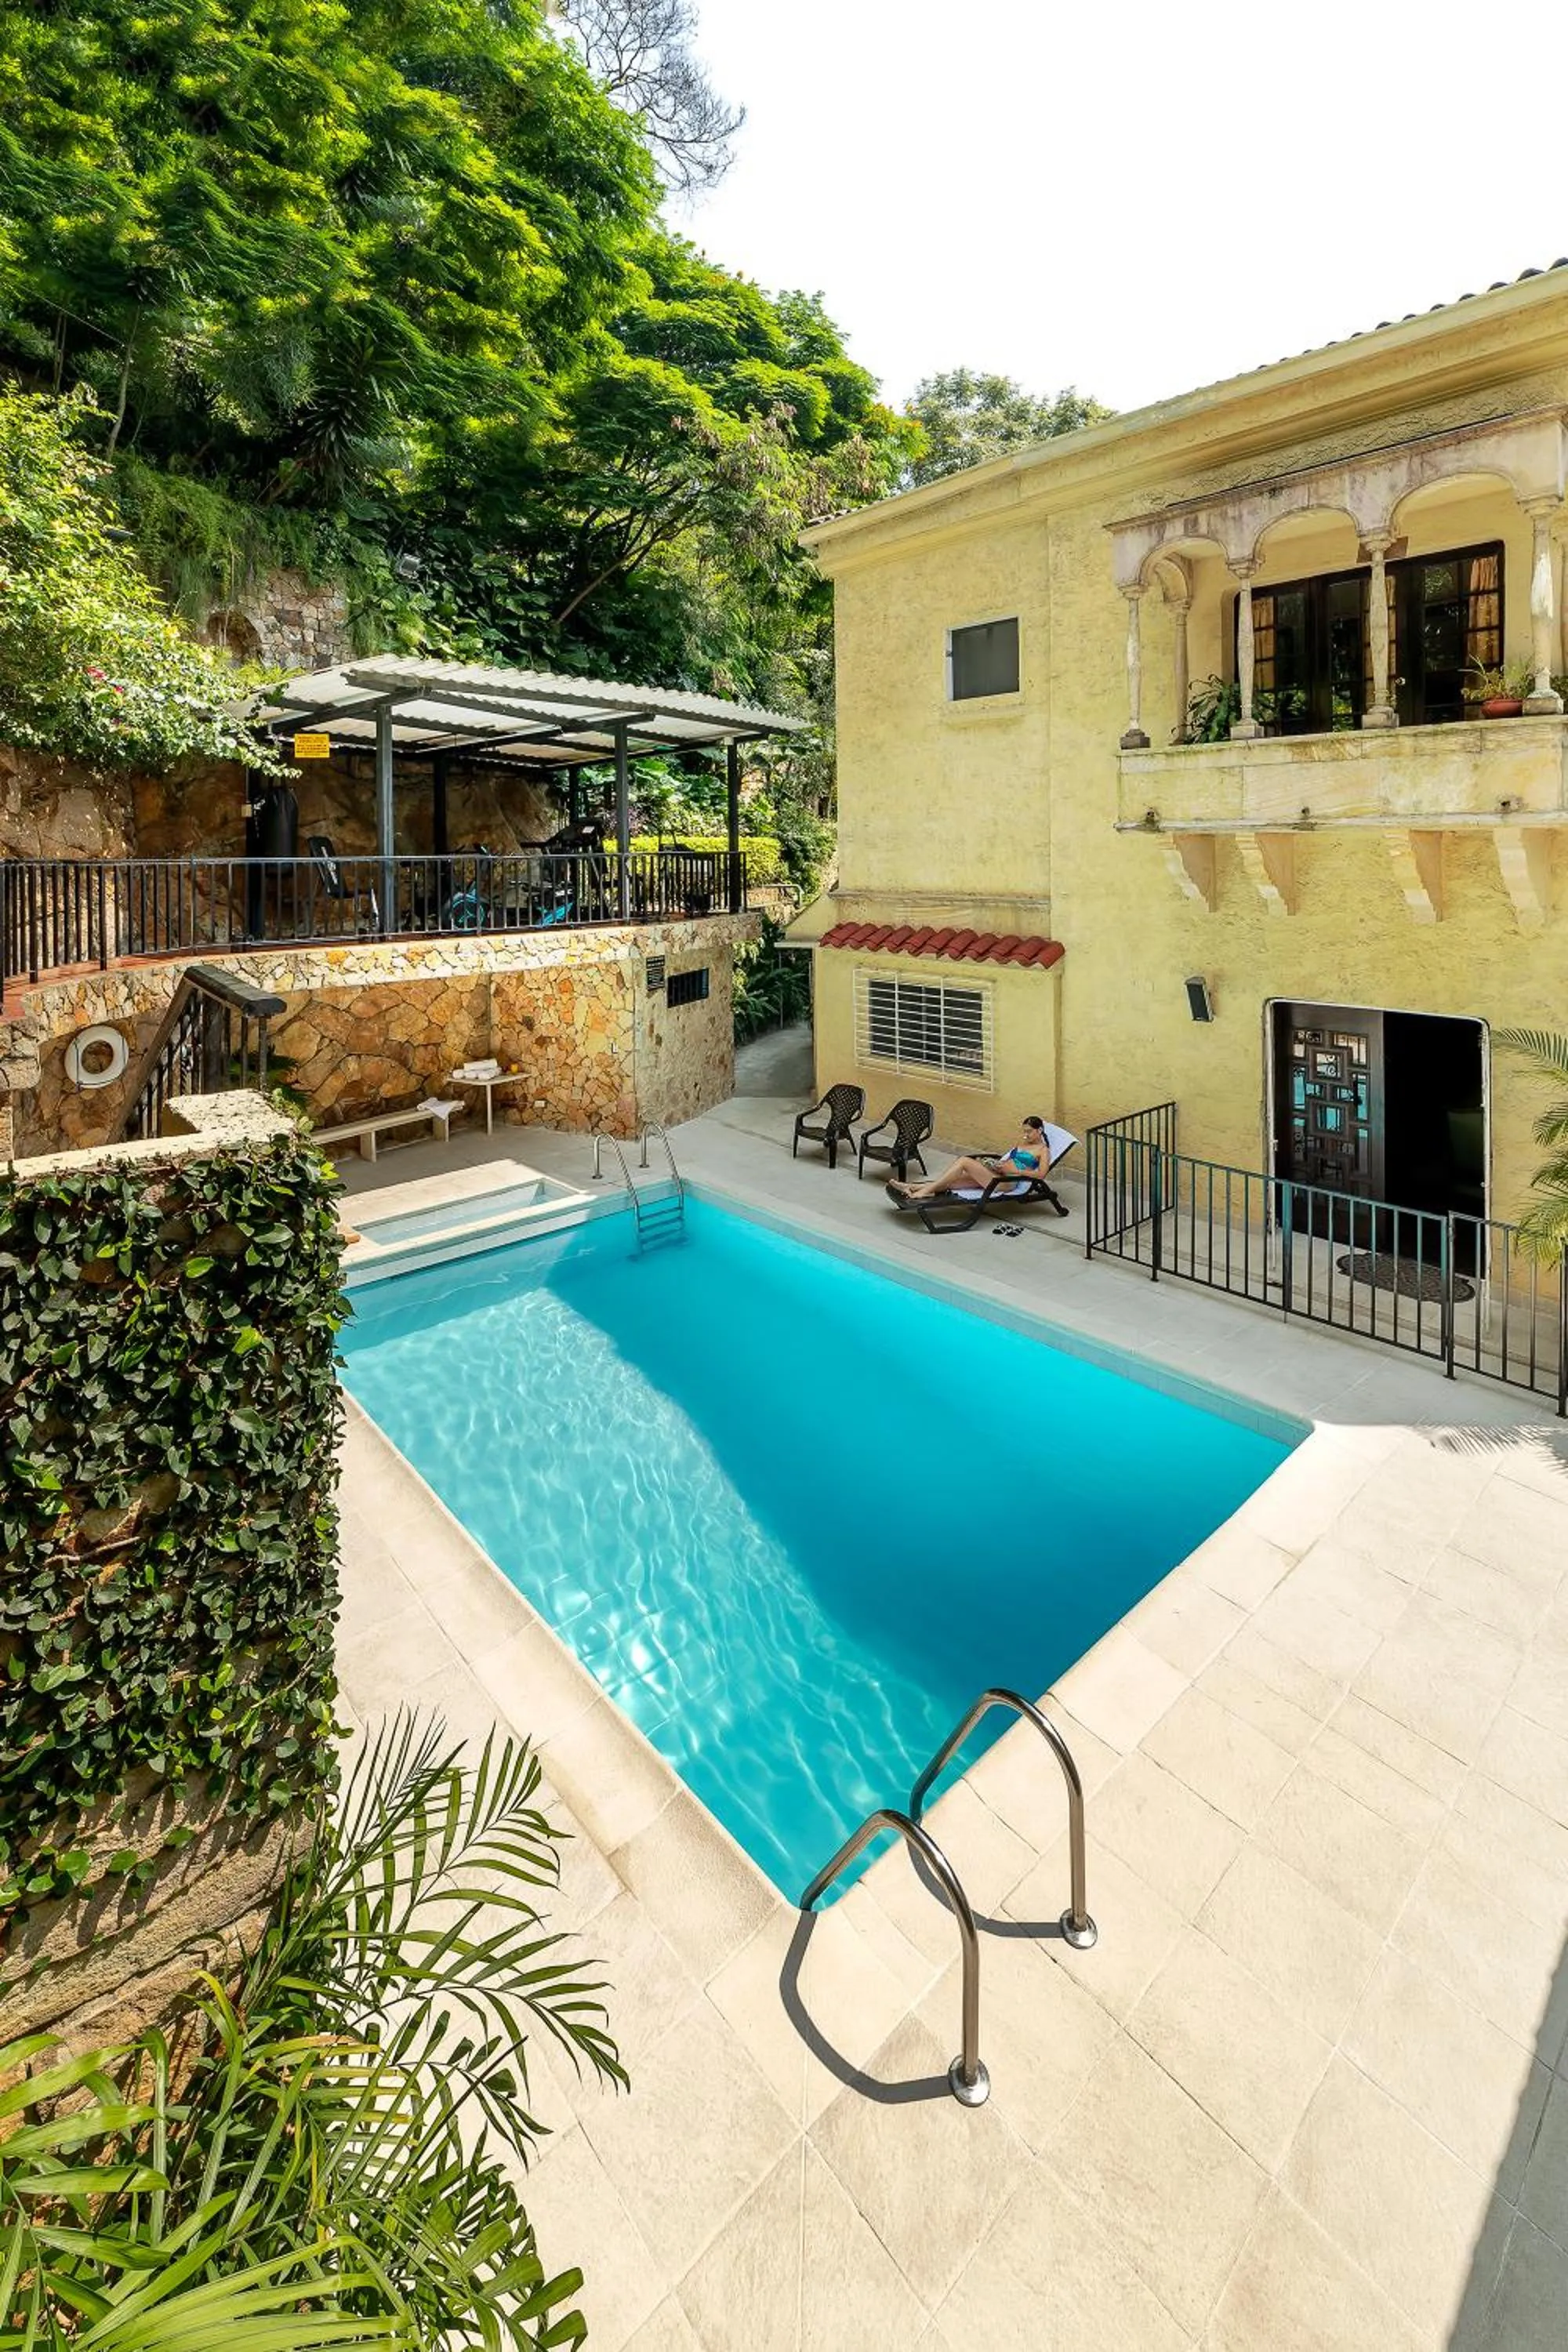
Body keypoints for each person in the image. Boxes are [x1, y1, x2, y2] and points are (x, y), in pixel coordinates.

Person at [889, 1116, 1053, 1201]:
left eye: (1029, 1132)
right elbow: (1009, 1160)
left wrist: (1017, 1170)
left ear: (1039, 1130)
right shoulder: (1022, 1143)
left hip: (1007, 1182)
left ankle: (924, 1191)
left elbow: (1041, 1175)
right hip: (998, 1174)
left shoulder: (1043, 1150)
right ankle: (908, 1187)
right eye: (1024, 1131)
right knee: (951, 1182)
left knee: (964, 1161)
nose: (1025, 1135)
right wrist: (995, 1165)